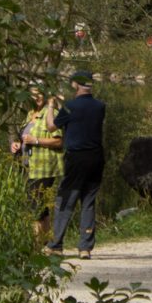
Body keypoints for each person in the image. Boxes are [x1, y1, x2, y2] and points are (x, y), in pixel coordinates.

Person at [47, 71, 108, 257]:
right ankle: (85, 247)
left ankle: (56, 245)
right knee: (88, 200)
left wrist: (51, 106)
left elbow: (51, 126)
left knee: (66, 199)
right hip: (96, 157)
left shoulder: (70, 106)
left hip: (76, 157)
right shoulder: (100, 106)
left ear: (75, 84)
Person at [13, 85, 62, 243]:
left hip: (44, 166)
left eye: (39, 94)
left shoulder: (51, 113)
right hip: (29, 165)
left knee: (34, 204)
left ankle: (35, 244)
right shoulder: (29, 114)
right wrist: (16, 144)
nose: (36, 98)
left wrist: (36, 140)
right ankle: (47, 242)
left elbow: (59, 141)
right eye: (33, 95)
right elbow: (24, 137)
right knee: (41, 206)